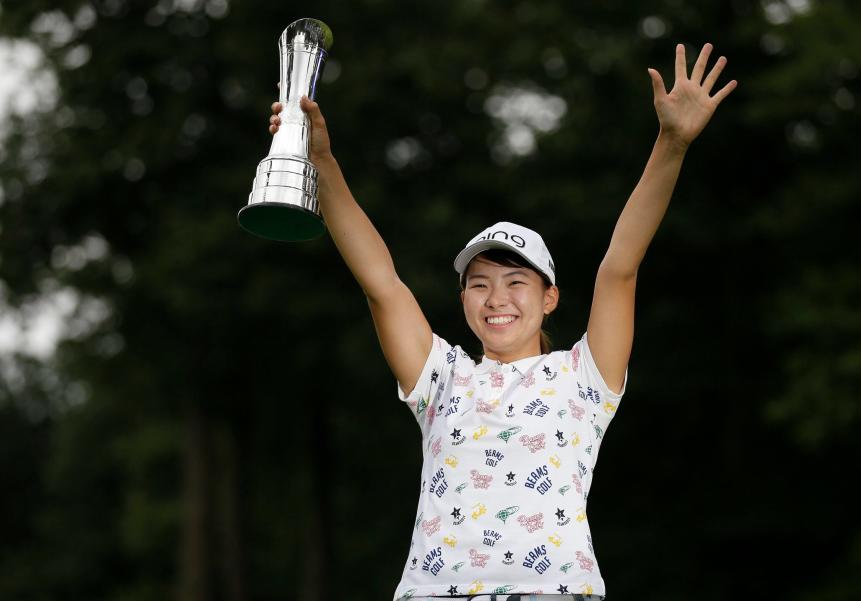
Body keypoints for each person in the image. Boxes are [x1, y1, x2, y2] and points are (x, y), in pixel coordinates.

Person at [269, 42, 736, 601]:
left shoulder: (584, 378)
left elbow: (620, 269)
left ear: (550, 299)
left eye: (517, 283)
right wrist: (321, 162)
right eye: (479, 283)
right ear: (464, 300)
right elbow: (382, 284)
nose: (497, 298)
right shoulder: (443, 378)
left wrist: (672, 144)